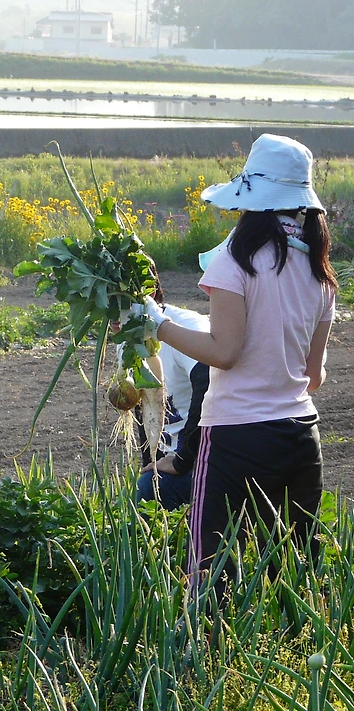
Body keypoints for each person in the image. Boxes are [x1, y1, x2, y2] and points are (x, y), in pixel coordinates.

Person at [140, 134, 335, 596]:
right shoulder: (320, 273)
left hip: (235, 435)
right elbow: (315, 376)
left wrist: (157, 323)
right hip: (301, 435)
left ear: (253, 201)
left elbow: (224, 352)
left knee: (211, 569)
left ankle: (203, 661)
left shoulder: (237, 260)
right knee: (294, 571)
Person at [135, 301, 210, 510]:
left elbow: (210, 382)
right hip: (177, 458)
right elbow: (148, 409)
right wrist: (152, 462)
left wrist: (182, 460)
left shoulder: (187, 326)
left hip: (209, 459)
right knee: (148, 487)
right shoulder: (125, 331)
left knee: (151, 487)